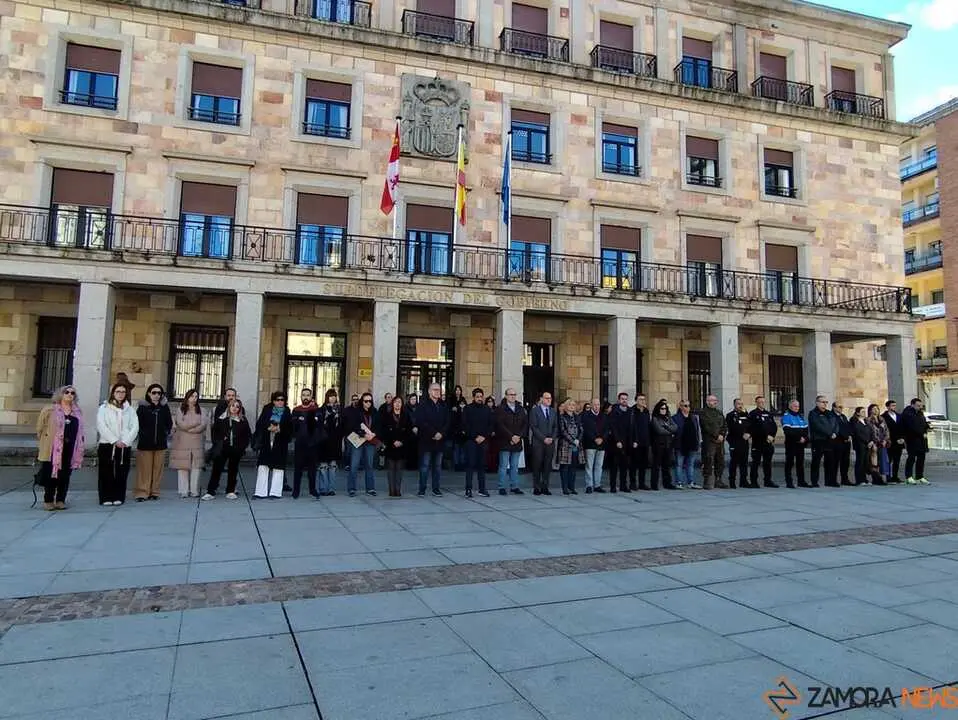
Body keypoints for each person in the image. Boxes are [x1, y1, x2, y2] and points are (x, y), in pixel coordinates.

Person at [36, 385, 85, 511]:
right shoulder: (50, 410)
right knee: (51, 475)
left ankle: (60, 500)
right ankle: (48, 500)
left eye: (72, 393)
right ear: (60, 394)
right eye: (66, 392)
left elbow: (80, 431)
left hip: (70, 448)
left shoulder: (77, 412)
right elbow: (40, 428)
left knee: (65, 476)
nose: (69, 395)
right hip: (53, 449)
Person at [96, 383, 138, 505]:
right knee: (106, 471)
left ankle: (119, 496)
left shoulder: (129, 409)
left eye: (123, 392)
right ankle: (106, 497)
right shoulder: (104, 408)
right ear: (113, 393)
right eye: (118, 391)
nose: (120, 394)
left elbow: (134, 426)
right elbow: (101, 425)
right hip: (107, 444)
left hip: (124, 445)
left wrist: (125, 441)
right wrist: (114, 440)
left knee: (122, 472)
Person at [204, 399, 252, 499]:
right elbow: (215, 433)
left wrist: (241, 447)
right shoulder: (221, 418)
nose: (234, 408)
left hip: (235, 449)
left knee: (233, 470)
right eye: (233, 406)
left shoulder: (242, 420)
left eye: (237, 406)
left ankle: (230, 490)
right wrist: (219, 441)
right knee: (217, 469)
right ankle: (211, 491)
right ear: (229, 407)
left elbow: (247, 435)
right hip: (222, 448)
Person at [135, 383, 173, 501]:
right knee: (144, 470)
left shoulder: (164, 407)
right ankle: (142, 492)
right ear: (149, 394)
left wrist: (165, 432)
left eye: (159, 393)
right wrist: (143, 434)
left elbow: (169, 423)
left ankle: (154, 491)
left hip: (160, 444)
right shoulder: (142, 408)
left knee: (157, 470)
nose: (156, 395)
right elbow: (137, 424)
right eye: (154, 393)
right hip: (145, 444)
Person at [170, 389, 208, 498]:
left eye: (196, 397)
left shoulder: (202, 410)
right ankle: (183, 491)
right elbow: (181, 424)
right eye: (192, 396)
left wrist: (192, 429)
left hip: (197, 441)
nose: (194, 399)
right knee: (183, 466)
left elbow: (203, 424)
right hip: (182, 441)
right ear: (187, 397)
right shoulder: (180, 410)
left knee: (196, 467)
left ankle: (194, 490)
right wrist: (195, 423)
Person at [253, 391, 292, 498]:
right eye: (277, 400)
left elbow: (290, 428)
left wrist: (280, 429)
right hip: (266, 441)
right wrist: (268, 428)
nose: (280, 402)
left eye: (282, 400)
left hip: (280, 443)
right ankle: (260, 492)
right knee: (263, 466)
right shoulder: (267, 409)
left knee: (278, 468)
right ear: (273, 401)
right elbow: (260, 423)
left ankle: (275, 492)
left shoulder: (287, 412)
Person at [416, 383, 449, 497]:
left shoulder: (444, 405)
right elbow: (421, 422)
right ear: (429, 391)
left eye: (439, 390)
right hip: (427, 440)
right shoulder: (423, 405)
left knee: (438, 466)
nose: (437, 392)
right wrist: (434, 433)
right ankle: (422, 488)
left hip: (440, 441)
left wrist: (441, 433)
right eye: (435, 390)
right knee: (425, 466)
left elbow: (447, 422)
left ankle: (436, 488)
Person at [344, 392, 379, 496]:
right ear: (362, 402)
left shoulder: (374, 412)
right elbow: (352, 426)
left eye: (370, 401)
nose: (368, 403)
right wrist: (364, 434)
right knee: (354, 464)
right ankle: (351, 489)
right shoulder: (356, 412)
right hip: (359, 439)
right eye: (366, 401)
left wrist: (373, 434)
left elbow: (378, 425)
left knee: (369, 464)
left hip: (370, 440)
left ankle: (370, 488)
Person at [496, 388, 528, 495]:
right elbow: (500, 425)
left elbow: (525, 424)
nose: (513, 396)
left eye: (514, 394)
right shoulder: (501, 408)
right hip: (505, 441)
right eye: (510, 394)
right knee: (503, 465)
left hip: (517, 441)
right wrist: (511, 437)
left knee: (514, 466)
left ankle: (514, 486)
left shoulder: (520, 408)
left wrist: (518, 436)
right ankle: (501, 486)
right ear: (506, 396)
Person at [291, 388, 322, 498]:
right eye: (303, 395)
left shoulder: (316, 410)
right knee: (298, 468)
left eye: (308, 395)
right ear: (300, 396)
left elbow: (319, 425)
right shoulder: (296, 410)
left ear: (311, 397)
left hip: (312, 444)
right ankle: (296, 491)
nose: (305, 397)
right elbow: (293, 427)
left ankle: (312, 490)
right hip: (300, 443)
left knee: (312, 469)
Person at [462, 387, 493, 498]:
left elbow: (491, 425)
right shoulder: (467, 409)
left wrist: (484, 436)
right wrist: (475, 436)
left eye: (481, 397)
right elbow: (465, 425)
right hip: (471, 441)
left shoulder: (487, 409)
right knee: (470, 465)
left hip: (483, 441)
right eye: (477, 397)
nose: (480, 399)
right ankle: (468, 489)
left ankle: (482, 489)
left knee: (482, 465)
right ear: (473, 397)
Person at [528, 391, 558, 496]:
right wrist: (544, 438)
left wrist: (552, 438)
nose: (549, 400)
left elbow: (556, 427)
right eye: (546, 398)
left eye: (550, 398)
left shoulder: (553, 411)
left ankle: (545, 486)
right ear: (542, 399)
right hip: (538, 442)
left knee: (547, 465)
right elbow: (534, 427)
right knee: (537, 465)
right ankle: (536, 487)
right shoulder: (535, 411)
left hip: (550, 443)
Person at [381, 395, 410, 497]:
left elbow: (409, 432)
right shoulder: (387, 416)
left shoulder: (406, 416)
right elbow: (384, 431)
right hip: (390, 446)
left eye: (399, 402)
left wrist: (402, 442)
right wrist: (392, 441)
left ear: (402, 404)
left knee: (399, 470)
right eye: (395, 402)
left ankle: (398, 490)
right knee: (391, 469)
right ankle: (391, 490)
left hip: (402, 447)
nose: (397, 404)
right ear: (392, 403)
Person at [808, 395, 838, 488]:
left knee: (830, 461)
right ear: (817, 403)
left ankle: (830, 481)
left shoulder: (830, 413)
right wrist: (830, 433)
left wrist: (835, 433)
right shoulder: (813, 413)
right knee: (816, 462)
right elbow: (817, 426)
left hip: (830, 440)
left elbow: (836, 424)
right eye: (822, 402)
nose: (825, 404)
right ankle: (814, 481)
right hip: (818, 440)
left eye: (826, 402)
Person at [748, 396, 778, 488]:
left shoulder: (768, 414)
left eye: (763, 402)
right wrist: (766, 436)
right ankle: (754, 482)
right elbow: (753, 428)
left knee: (767, 463)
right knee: (755, 462)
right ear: (756, 403)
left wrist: (772, 436)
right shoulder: (753, 414)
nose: (762, 403)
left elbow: (774, 426)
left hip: (768, 443)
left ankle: (768, 481)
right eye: (759, 402)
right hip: (758, 442)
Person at [699, 394, 727, 490]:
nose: (714, 402)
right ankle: (707, 481)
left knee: (720, 460)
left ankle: (718, 480)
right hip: (709, 441)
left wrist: (722, 434)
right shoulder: (703, 412)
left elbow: (724, 425)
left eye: (715, 400)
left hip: (720, 441)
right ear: (707, 401)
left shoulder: (719, 412)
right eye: (711, 400)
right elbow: (706, 426)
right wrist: (716, 435)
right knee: (708, 460)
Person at [580, 398, 608, 493]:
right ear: (591, 405)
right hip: (590, 443)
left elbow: (607, 429)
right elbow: (586, 430)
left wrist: (602, 438)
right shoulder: (585, 415)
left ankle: (597, 485)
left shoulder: (604, 416)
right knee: (589, 465)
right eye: (595, 404)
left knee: (599, 465)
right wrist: (594, 438)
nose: (597, 406)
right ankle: (589, 485)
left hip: (602, 444)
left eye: (598, 404)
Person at [316, 389, 341, 496]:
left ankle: (331, 488)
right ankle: (322, 488)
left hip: (334, 441)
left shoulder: (339, 410)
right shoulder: (321, 409)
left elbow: (342, 426)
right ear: (327, 397)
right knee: (323, 466)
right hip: (323, 441)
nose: (333, 398)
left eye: (334, 396)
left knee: (333, 466)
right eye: (331, 396)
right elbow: (318, 425)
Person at [672, 400, 701, 489]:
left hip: (692, 444)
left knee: (691, 464)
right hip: (680, 444)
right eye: (685, 406)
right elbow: (674, 431)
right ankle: (679, 482)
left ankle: (690, 482)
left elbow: (697, 430)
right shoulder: (675, 418)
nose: (687, 407)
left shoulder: (693, 417)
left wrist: (698, 442)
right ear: (680, 407)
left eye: (688, 405)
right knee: (679, 464)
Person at [608, 392, 634, 493]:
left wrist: (634, 440)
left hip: (627, 442)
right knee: (614, 466)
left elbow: (633, 426)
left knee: (624, 466)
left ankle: (623, 485)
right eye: (622, 399)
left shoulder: (630, 411)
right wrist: (617, 440)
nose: (624, 401)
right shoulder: (614, 411)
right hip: (616, 443)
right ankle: (613, 486)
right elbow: (613, 427)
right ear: (619, 400)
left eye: (626, 399)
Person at [649, 399, 677, 490]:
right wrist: (669, 430)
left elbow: (675, 427)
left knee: (667, 465)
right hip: (658, 444)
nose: (663, 410)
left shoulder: (668, 417)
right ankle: (654, 484)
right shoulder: (655, 418)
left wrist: (667, 427)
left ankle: (667, 483)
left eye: (665, 408)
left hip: (668, 444)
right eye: (662, 408)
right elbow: (659, 430)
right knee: (656, 465)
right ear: (658, 409)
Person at [902, 397, 931, 485]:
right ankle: (909, 476)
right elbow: (911, 427)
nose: (920, 407)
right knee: (911, 457)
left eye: (920, 406)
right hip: (912, 439)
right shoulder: (908, 414)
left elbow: (923, 423)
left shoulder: (920, 413)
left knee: (921, 458)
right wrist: (921, 433)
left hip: (922, 439)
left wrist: (927, 428)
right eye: (918, 406)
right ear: (912, 405)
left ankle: (919, 476)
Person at [781, 399, 809, 488]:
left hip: (801, 444)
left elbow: (806, 429)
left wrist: (804, 438)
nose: (797, 408)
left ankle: (801, 481)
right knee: (789, 463)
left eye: (798, 406)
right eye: (795, 406)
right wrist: (798, 438)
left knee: (800, 463)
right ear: (790, 406)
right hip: (791, 444)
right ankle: (789, 482)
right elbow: (787, 431)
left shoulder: (800, 416)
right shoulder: (786, 416)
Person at [558, 399, 582, 495]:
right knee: (565, 467)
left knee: (573, 467)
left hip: (576, 445)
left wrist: (578, 440)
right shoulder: (562, 417)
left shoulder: (577, 417)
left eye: (573, 405)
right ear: (566, 406)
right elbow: (563, 431)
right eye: (570, 405)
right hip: (565, 445)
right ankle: (565, 488)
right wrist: (572, 440)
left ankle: (572, 487)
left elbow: (581, 429)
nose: (572, 406)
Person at [725, 398, 750, 489]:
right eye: (738, 404)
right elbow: (732, 428)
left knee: (744, 462)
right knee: (734, 462)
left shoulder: (746, 415)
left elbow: (750, 426)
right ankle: (732, 481)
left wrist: (749, 434)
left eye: (741, 404)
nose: (740, 405)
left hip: (744, 442)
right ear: (734, 405)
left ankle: (743, 481)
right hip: (735, 441)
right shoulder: (730, 415)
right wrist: (741, 434)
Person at [630, 394, 651, 491]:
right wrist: (634, 440)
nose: (643, 401)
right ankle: (633, 483)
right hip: (636, 442)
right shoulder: (632, 411)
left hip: (645, 441)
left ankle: (642, 483)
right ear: (636, 401)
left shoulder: (646, 411)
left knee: (644, 464)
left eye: (644, 399)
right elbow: (631, 427)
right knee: (634, 463)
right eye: (640, 399)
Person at [882, 400, 905, 483]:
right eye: (892, 406)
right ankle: (888, 477)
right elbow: (885, 430)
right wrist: (894, 439)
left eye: (895, 406)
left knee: (897, 460)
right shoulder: (883, 417)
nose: (893, 407)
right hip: (890, 442)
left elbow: (903, 428)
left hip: (899, 442)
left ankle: (895, 476)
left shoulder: (899, 416)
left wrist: (902, 438)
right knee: (889, 460)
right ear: (888, 407)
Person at [849, 406, 873, 486]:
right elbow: (857, 433)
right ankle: (859, 479)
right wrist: (867, 441)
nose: (864, 413)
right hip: (860, 444)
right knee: (860, 461)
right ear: (858, 413)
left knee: (866, 462)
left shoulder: (866, 420)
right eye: (862, 411)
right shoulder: (854, 421)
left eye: (864, 411)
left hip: (868, 444)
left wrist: (871, 441)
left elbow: (871, 431)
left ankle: (864, 479)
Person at [867, 404, 890, 485]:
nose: (876, 410)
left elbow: (886, 430)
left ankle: (882, 477)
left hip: (883, 443)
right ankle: (876, 478)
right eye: (873, 409)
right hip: (875, 443)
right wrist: (876, 441)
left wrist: (885, 440)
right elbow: (870, 432)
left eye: (877, 408)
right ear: (870, 410)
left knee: (882, 461)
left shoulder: (882, 419)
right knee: (874, 461)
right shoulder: (868, 420)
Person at [832, 402, 852, 486]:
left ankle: (845, 479)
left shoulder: (843, 416)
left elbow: (848, 427)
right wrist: (844, 437)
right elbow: (836, 428)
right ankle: (833, 480)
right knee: (836, 461)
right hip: (838, 441)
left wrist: (850, 435)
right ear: (834, 407)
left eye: (841, 407)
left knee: (845, 461)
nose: (841, 408)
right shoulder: (832, 416)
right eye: (839, 407)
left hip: (846, 442)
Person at [449, 385, 468, 471]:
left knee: (463, 447)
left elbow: (467, 413)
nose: (458, 391)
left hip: (463, 428)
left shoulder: (463, 399)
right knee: (456, 447)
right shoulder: (451, 400)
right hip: (455, 428)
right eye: (456, 390)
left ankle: (462, 463)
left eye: (459, 390)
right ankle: (456, 464)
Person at [484, 395, 499, 473]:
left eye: (491, 402)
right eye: (488, 402)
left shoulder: (496, 410)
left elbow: (497, 422)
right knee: (487, 451)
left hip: (495, 434)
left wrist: (494, 431)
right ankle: (488, 466)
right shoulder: (484, 410)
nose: (490, 403)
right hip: (486, 434)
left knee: (494, 451)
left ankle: (494, 466)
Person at [405, 393, 420, 470]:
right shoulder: (406, 408)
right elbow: (405, 420)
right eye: (412, 399)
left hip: (418, 431)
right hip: (409, 431)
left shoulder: (419, 408)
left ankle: (416, 465)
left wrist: (417, 427)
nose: (413, 401)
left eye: (415, 399)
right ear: (409, 400)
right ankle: (409, 465)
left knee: (416, 449)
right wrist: (412, 427)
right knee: (409, 448)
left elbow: (421, 419)